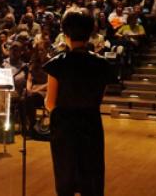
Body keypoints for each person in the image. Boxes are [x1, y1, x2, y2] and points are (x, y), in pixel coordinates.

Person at [43, 11, 115, 196]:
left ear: (65, 34)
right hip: (91, 125)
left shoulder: (56, 64)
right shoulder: (102, 64)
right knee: (91, 178)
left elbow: (50, 102)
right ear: (90, 33)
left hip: (64, 128)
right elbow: (99, 97)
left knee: (65, 178)